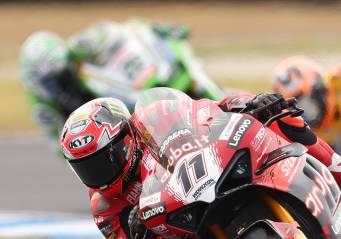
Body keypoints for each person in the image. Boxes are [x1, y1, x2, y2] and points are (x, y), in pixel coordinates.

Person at [59, 90, 341, 239]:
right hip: (188, 232)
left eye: (105, 157)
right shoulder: (105, 207)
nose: (100, 172)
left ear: (126, 136)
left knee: (286, 119)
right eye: (87, 168)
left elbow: (206, 110)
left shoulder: (153, 120)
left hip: (218, 170)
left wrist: (246, 103)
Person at [19, 19, 223, 149]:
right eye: (48, 83)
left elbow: (116, 31)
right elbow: (60, 148)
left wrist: (151, 29)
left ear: (67, 62)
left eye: (60, 76)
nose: (56, 86)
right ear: (35, 85)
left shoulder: (78, 49)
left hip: (121, 96)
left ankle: (219, 102)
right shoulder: (42, 108)